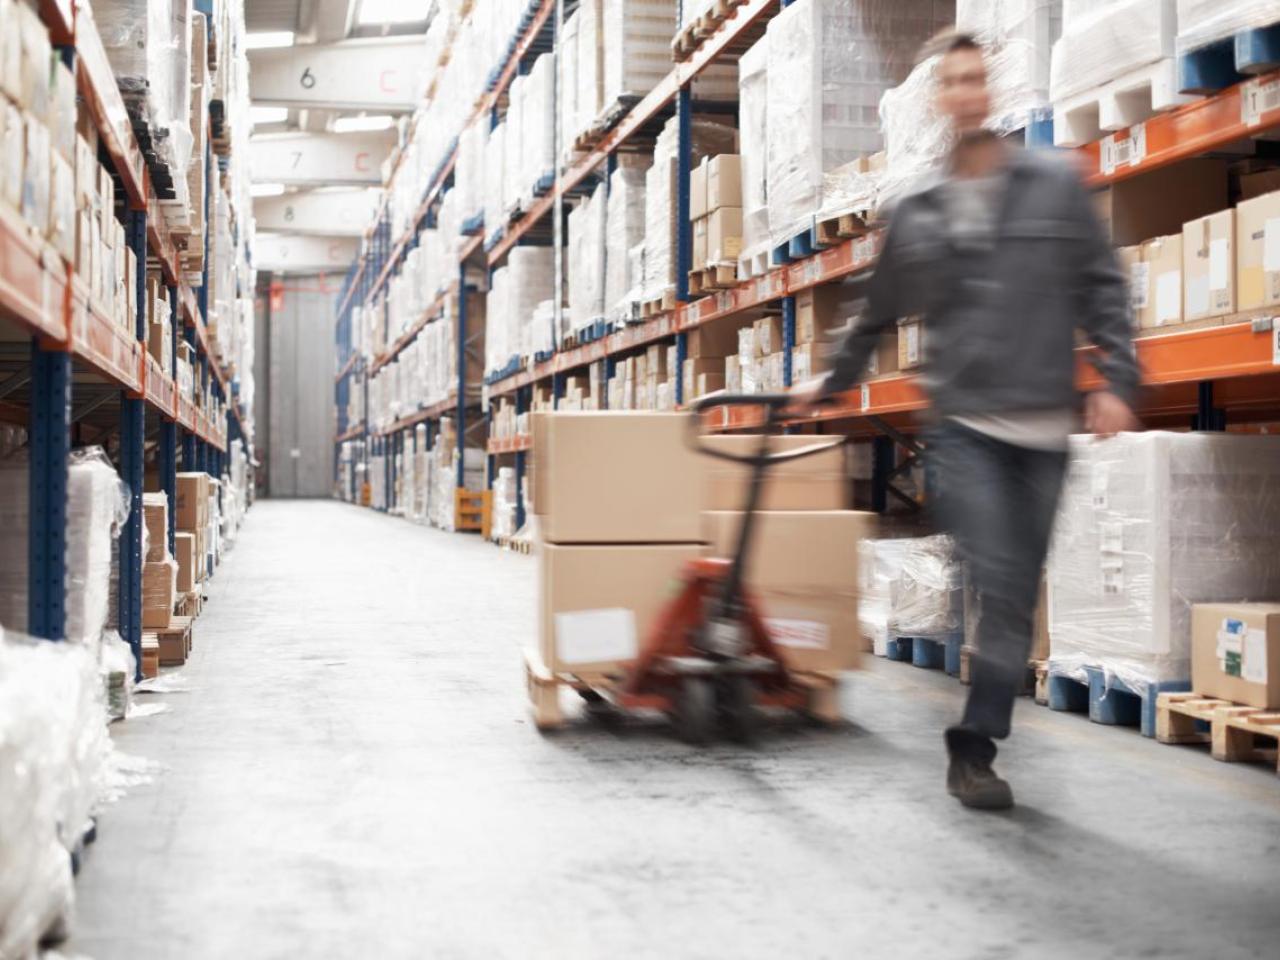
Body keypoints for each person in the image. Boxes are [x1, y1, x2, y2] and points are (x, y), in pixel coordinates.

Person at [792, 29, 1140, 810]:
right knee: (1002, 579)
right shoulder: (918, 209)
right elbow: (874, 313)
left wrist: (1118, 378)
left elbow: (1102, 287)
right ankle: (973, 750)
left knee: (1014, 600)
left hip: (1045, 429)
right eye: (951, 81)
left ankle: (978, 737)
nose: (966, 92)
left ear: (992, 89)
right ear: (938, 99)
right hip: (966, 431)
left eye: (976, 78)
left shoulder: (1054, 183)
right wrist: (830, 382)